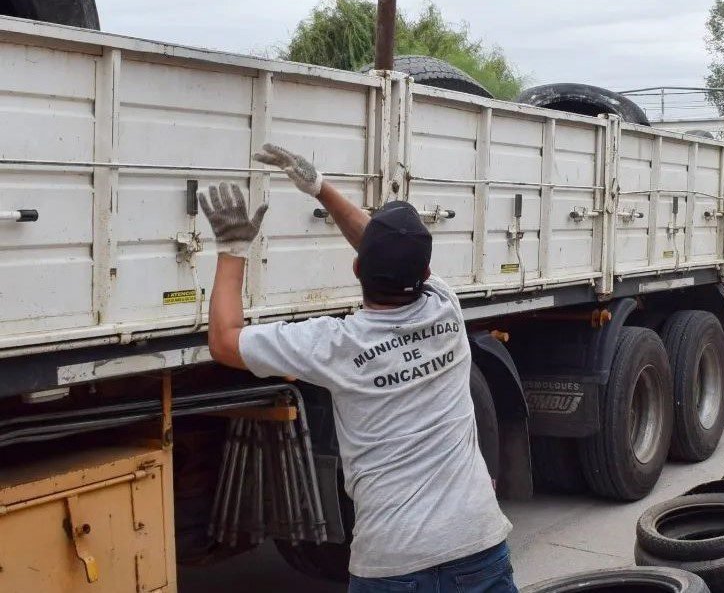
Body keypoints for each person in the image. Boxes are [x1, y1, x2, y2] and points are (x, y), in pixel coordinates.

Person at [197, 143, 515, 593]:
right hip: (477, 546)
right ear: (425, 271)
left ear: (356, 269)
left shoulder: (334, 344)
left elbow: (225, 342)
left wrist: (232, 250)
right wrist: (321, 188)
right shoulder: (445, 308)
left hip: (392, 563)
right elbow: (380, 249)